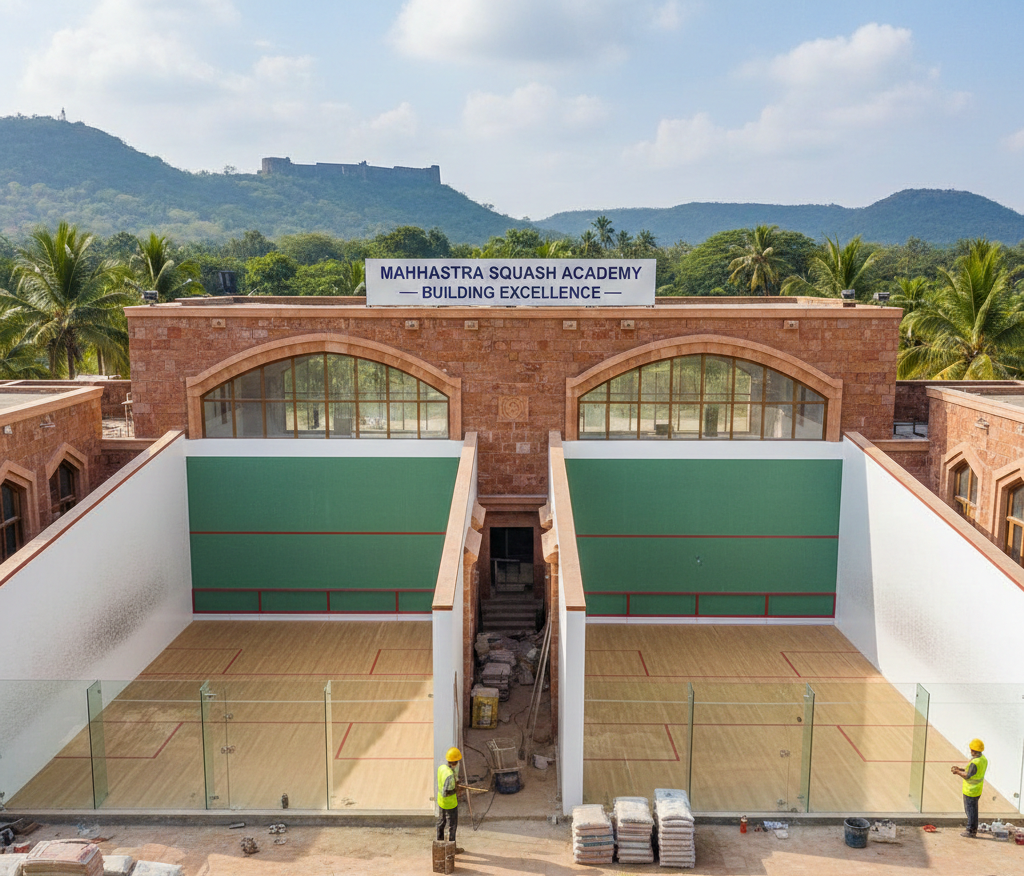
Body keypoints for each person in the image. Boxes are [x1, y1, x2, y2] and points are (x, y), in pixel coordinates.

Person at [951, 738, 988, 837]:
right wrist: (961, 769)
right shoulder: (983, 759)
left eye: (971, 750)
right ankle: (972, 829)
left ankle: (971, 831)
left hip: (971, 791)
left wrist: (957, 772)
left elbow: (968, 775)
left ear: (974, 751)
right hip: (977, 789)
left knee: (971, 812)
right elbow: (973, 772)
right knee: (973, 810)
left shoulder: (975, 763)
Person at [436, 746, 465, 853]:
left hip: (441, 801)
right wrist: (457, 789)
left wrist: (456, 782)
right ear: (454, 762)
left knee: (441, 823)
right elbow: (446, 793)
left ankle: (439, 847)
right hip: (450, 804)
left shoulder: (442, 768)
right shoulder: (450, 776)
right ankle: (451, 849)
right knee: (452, 826)